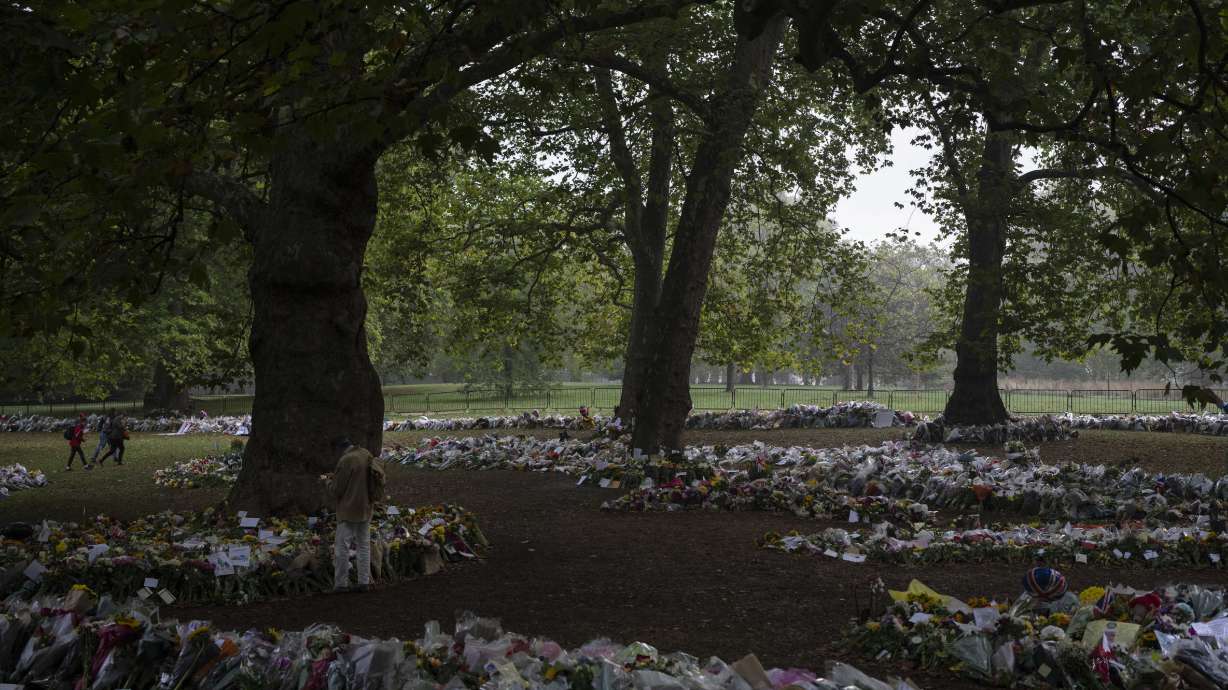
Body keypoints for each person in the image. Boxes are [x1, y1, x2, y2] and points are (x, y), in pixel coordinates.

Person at [325, 437, 385, 593]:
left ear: (339, 449)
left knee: (342, 548)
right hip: (366, 507)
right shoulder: (365, 453)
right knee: (364, 545)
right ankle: (364, 581)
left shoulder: (346, 460)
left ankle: (341, 584)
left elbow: (337, 489)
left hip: (348, 509)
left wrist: (327, 482)